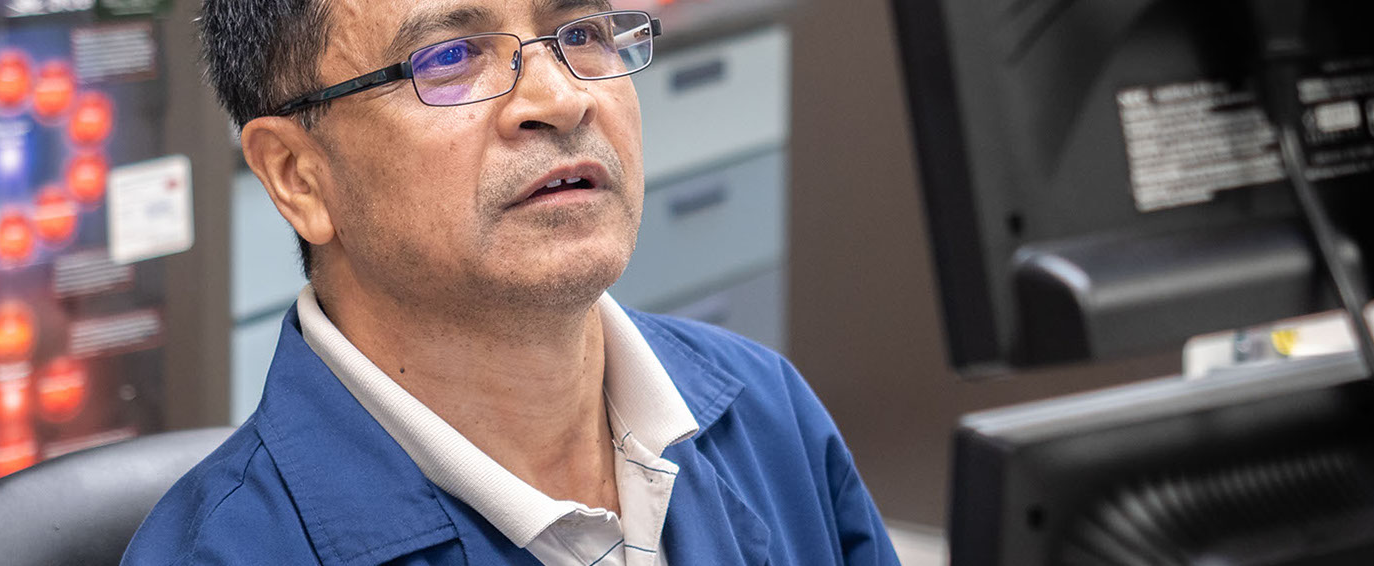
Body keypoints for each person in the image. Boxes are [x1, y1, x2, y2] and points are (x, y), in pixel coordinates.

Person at [120, 0, 900, 564]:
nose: (561, 98)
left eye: (582, 32)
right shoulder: (229, 552)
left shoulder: (763, 407)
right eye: (451, 58)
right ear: (299, 177)